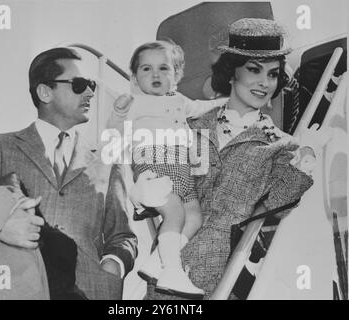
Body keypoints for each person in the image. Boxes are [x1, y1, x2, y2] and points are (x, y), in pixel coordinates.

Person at [130, 18, 322, 299]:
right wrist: (140, 183)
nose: (264, 83)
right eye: (254, 70)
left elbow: (277, 208)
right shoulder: (188, 123)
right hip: (163, 269)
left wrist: (307, 159)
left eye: (273, 74)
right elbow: (153, 162)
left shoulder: (279, 144)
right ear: (232, 73)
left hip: (220, 274)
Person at [0, 47, 137, 300]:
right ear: (45, 92)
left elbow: (123, 235)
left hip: (91, 292)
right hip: (17, 288)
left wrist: (112, 267)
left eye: (91, 85)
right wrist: (0, 226)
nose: (89, 92)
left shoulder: (107, 160)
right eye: (78, 84)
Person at [106, 40, 227, 299]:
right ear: (135, 77)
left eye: (164, 68)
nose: (156, 74)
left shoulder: (179, 100)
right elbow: (113, 135)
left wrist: (228, 102)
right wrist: (117, 114)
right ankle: (173, 271)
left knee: (193, 216)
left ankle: (158, 262)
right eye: (146, 69)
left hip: (181, 168)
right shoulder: (135, 102)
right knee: (173, 211)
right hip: (153, 163)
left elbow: (202, 107)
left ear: (176, 75)